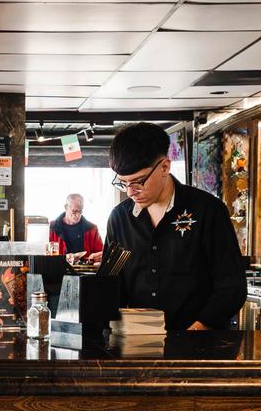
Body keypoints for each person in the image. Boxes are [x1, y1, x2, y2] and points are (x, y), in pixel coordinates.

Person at [104, 123, 246, 331]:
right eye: (123, 182)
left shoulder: (207, 211)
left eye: (138, 181)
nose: (130, 192)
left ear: (164, 167)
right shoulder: (119, 219)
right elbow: (110, 286)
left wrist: (195, 331)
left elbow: (232, 287)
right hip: (138, 342)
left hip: (201, 342)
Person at [48, 193, 104, 261]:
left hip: (85, 267)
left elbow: (101, 254)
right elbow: (45, 256)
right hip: (58, 267)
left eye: (80, 211)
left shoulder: (92, 229)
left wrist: (97, 257)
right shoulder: (51, 227)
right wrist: (65, 258)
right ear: (66, 207)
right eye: (74, 211)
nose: (77, 215)